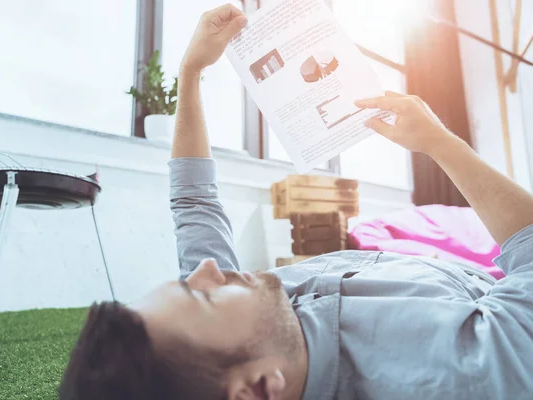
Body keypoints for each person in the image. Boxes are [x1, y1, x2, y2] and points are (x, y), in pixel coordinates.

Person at [59, 4, 533, 400]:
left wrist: (191, 71)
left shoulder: (242, 328)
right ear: (257, 389)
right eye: (201, 295)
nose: (205, 271)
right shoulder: (459, 373)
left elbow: (193, 201)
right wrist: (439, 143)